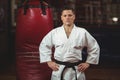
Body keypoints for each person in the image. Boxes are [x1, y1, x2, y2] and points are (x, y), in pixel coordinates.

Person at [39, 7, 100, 80]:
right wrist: (49, 61)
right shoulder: (55, 32)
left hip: (76, 70)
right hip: (59, 69)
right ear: (61, 18)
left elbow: (94, 47)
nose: (67, 17)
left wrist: (88, 62)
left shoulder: (82, 32)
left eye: (70, 15)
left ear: (74, 17)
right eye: (65, 16)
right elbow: (44, 46)